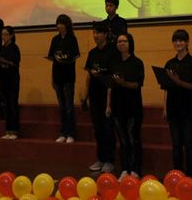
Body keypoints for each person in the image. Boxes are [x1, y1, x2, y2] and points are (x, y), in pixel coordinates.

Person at [162, 29, 192, 177]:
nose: (178, 43)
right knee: (176, 144)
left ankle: (191, 176)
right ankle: (178, 174)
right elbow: (165, 88)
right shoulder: (169, 63)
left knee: (189, 144)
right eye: (176, 40)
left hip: (188, 109)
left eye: (181, 40)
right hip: (172, 109)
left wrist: (178, 81)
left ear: (187, 42)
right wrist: (165, 108)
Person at [82, 22, 117, 173]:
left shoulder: (113, 52)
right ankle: (101, 158)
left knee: (108, 128)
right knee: (97, 128)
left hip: (107, 95)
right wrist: (85, 94)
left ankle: (110, 160)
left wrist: (109, 103)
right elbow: (88, 74)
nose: (95, 36)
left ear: (105, 34)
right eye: (94, 33)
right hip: (94, 95)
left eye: (98, 33)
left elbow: (113, 77)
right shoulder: (92, 53)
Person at [108, 33, 144, 180]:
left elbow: (137, 84)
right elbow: (110, 85)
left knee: (133, 138)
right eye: (119, 41)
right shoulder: (114, 62)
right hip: (117, 106)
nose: (121, 43)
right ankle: (125, 168)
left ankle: (135, 169)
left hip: (133, 107)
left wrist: (123, 83)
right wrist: (108, 105)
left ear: (130, 43)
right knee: (122, 140)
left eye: (124, 41)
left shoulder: (137, 62)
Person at [48, 14, 80, 143]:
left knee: (69, 106)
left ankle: (71, 133)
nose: (59, 26)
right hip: (57, 75)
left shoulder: (72, 39)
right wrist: (52, 77)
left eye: (61, 23)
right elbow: (52, 58)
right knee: (61, 106)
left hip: (68, 75)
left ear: (67, 25)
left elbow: (74, 57)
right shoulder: (55, 39)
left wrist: (64, 59)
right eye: (58, 23)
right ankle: (63, 132)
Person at [0, 26, 21, 139]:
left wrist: (5, 62)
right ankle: (8, 131)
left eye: (6, 34)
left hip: (12, 80)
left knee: (12, 105)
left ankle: (14, 131)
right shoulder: (2, 48)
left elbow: (15, 63)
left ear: (11, 36)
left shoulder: (14, 48)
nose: (3, 37)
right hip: (4, 80)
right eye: (2, 34)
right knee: (6, 106)